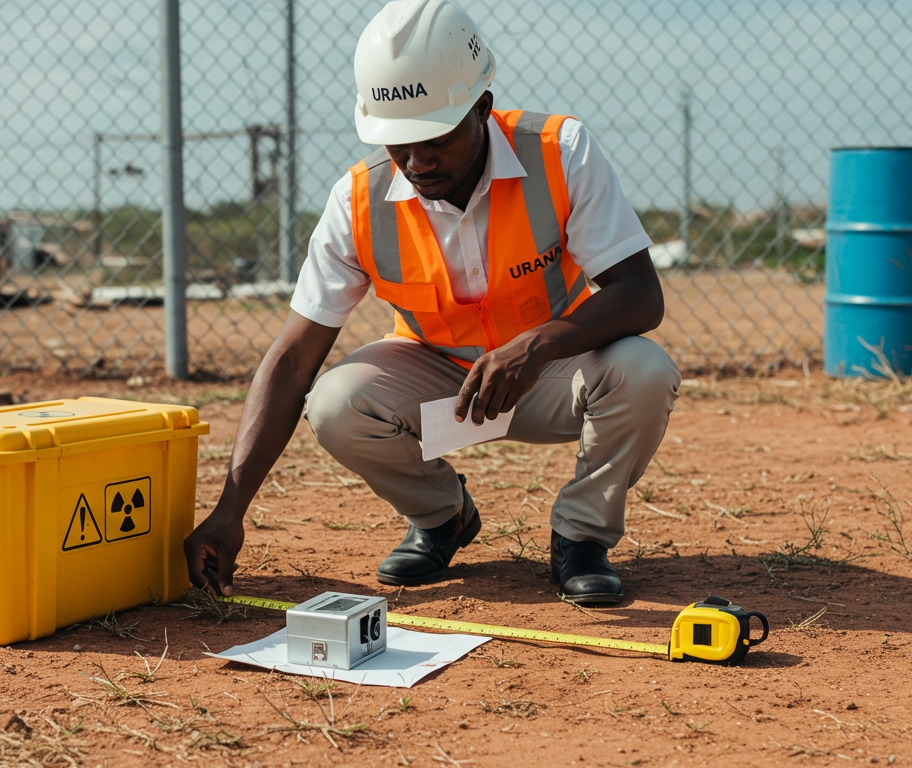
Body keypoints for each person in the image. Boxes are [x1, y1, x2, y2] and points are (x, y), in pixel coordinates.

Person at [184, 0, 680, 606]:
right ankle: (442, 517)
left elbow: (640, 294)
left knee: (644, 370)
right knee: (336, 403)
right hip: (444, 391)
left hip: (549, 374)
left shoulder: (561, 150)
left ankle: (581, 537)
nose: (416, 163)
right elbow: (292, 360)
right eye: (398, 143)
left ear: (482, 108)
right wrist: (230, 510)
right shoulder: (357, 201)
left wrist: (536, 345)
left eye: (435, 139)